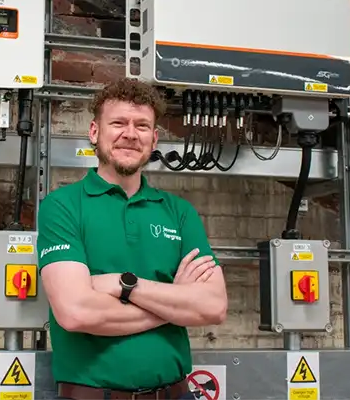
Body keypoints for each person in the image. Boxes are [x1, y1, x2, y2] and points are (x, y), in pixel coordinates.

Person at [37, 78, 228, 400]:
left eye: (142, 126)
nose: (130, 134)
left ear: (153, 139)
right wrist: (176, 303)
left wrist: (125, 285)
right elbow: (76, 312)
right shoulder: (63, 206)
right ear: (95, 132)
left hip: (176, 393)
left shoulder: (179, 213)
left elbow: (213, 306)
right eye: (118, 123)